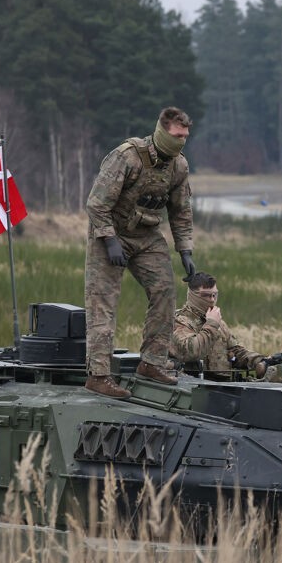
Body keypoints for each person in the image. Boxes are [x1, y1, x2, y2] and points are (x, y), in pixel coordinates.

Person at [84, 106, 198, 399]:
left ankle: (152, 362)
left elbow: (181, 211)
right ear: (162, 131)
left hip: (147, 236)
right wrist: (109, 241)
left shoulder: (179, 167)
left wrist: (185, 249)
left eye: (186, 136)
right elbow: (97, 204)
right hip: (110, 231)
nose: (182, 141)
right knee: (103, 302)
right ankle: (99, 375)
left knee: (165, 291)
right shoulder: (128, 156)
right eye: (177, 135)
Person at [170, 271, 282, 380]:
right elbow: (189, 352)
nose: (212, 300)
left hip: (222, 386)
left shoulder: (218, 322)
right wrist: (211, 325)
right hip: (194, 388)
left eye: (215, 295)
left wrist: (260, 361)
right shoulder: (179, 321)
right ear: (193, 296)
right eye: (206, 296)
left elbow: (235, 351)